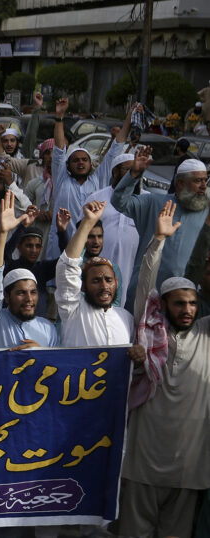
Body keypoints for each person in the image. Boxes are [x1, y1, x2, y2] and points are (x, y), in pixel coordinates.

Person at [119, 200, 210, 538]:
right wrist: (158, 241)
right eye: (179, 303)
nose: (187, 310)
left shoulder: (205, 334)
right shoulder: (150, 329)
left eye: (192, 303)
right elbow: (145, 283)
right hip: (142, 463)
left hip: (189, 469)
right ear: (164, 305)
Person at [112, 150, 209, 307]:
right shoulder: (154, 202)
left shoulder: (206, 213)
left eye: (205, 180)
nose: (203, 186)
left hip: (186, 302)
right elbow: (119, 202)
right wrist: (133, 175)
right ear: (180, 183)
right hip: (147, 296)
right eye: (198, 181)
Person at [44, 98, 132, 260]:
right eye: (75, 160)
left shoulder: (98, 180)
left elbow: (116, 148)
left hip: (90, 250)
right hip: (60, 247)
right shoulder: (61, 179)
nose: (80, 163)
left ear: (91, 164)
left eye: (85, 159)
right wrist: (59, 117)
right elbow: (58, 150)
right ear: (68, 166)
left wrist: (129, 119)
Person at [0, 192, 59, 350]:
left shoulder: (48, 330)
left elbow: (56, 369)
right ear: (6, 296)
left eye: (33, 292)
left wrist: (42, 354)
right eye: (21, 293)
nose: (29, 299)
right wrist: (2, 232)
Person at [55, 201, 133, 347]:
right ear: (83, 285)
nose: (104, 286)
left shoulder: (126, 319)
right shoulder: (74, 310)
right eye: (96, 281)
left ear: (115, 281)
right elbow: (67, 266)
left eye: (108, 280)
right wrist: (87, 222)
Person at [84, 152, 139, 307]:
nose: (134, 175)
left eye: (137, 171)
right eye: (129, 170)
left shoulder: (145, 200)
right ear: (115, 172)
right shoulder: (97, 198)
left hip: (132, 264)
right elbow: (83, 233)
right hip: (100, 263)